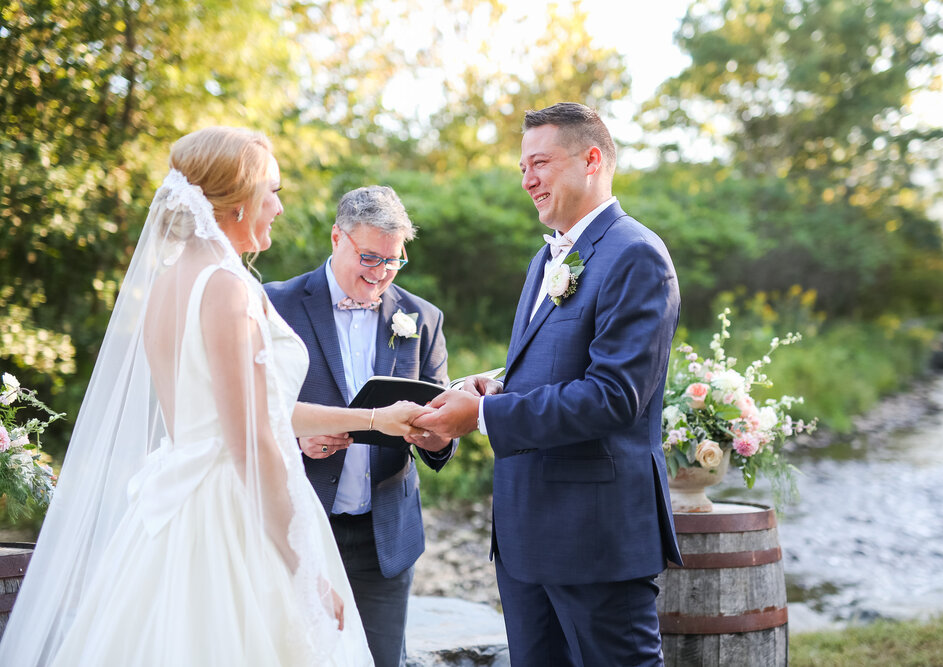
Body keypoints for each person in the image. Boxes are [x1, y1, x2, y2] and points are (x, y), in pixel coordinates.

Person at [0, 127, 430, 667]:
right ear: (238, 198)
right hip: (231, 519)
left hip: (175, 510)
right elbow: (253, 442)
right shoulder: (226, 287)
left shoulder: (169, 282)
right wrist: (304, 572)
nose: (277, 205)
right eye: (271, 191)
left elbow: (250, 413)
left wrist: (375, 419)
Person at [414, 103, 684, 666]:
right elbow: (553, 366)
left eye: (540, 163)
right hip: (525, 529)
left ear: (591, 160)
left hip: (593, 534)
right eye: (521, 167)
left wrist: (483, 418)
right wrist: (493, 387)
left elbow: (614, 396)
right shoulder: (546, 260)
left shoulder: (635, 254)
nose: (527, 179)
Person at [265, 185, 457, 667]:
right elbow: (248, 412)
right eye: (370, 258)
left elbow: (439, 419)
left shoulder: (421, 317)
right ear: (337, 237)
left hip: (385, 538)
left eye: (394, 261)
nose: (381, 274)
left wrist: (437, 436)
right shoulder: (275, 304)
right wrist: (296, 437)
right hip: (299, 527)